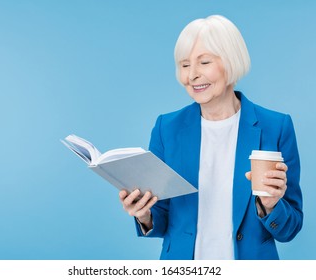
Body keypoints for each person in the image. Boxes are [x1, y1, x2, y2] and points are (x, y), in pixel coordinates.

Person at [119, 15, 303, 260]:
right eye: (184, 65)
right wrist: (144, 215)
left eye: (204, 62)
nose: (192, 75)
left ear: (231, 62)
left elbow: (290, 228)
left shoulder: (276, 126)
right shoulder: (167, 128)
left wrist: (270, 205)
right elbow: (162, 219)